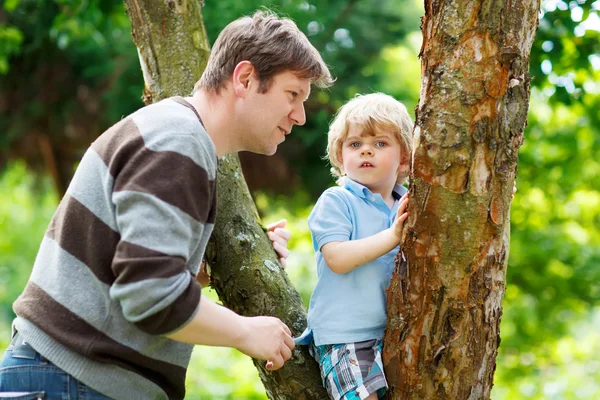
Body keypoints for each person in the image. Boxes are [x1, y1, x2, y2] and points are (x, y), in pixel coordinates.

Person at [0, 10, 333, 400]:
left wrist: (199, 279)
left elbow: (132, 282)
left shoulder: (174, 136)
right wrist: (247, 332)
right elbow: (150, 296)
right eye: (292, 95)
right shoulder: (178, 142)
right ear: (244, 78)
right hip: (72, 381)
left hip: (67, 378)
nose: (300, 116)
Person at [296, 93, 413, 400]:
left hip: (393, 335)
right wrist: (393, 235)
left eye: (380, 144)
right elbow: (336, 258)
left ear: (404, 158)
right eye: (355, 144)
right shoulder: (337, 201)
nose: (366, 152)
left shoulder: (407, 204)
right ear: (340, 155)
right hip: (346, 335)